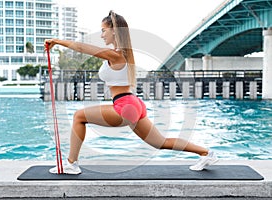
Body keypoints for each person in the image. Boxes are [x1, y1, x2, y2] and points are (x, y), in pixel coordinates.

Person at [45, 11, 218, 174]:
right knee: (160, 143)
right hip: (132, 104)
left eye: (103, 30)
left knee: (78, 116)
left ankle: (71, 164)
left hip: (125, 105)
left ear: (114, 31)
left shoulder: (117, 55)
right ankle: (206, 153)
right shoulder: (123, 54)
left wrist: (58, 41)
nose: (101, 35)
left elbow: (83, 48)